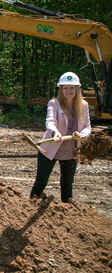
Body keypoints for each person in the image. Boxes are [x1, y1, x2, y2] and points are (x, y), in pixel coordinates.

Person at [30, 72, 92, 203]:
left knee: (67, 185)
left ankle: (68, 213)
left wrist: (82, 135)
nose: (68, 91)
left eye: (72, 88)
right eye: (65, 88)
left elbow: (88, 126)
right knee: (41, 182)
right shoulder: (54, 103)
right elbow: (50, 122)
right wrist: (55, 133)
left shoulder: (83, 105)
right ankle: (30, 206)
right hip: (50, 148)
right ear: (61, 89)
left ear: (77, 89)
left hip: (71, 150)